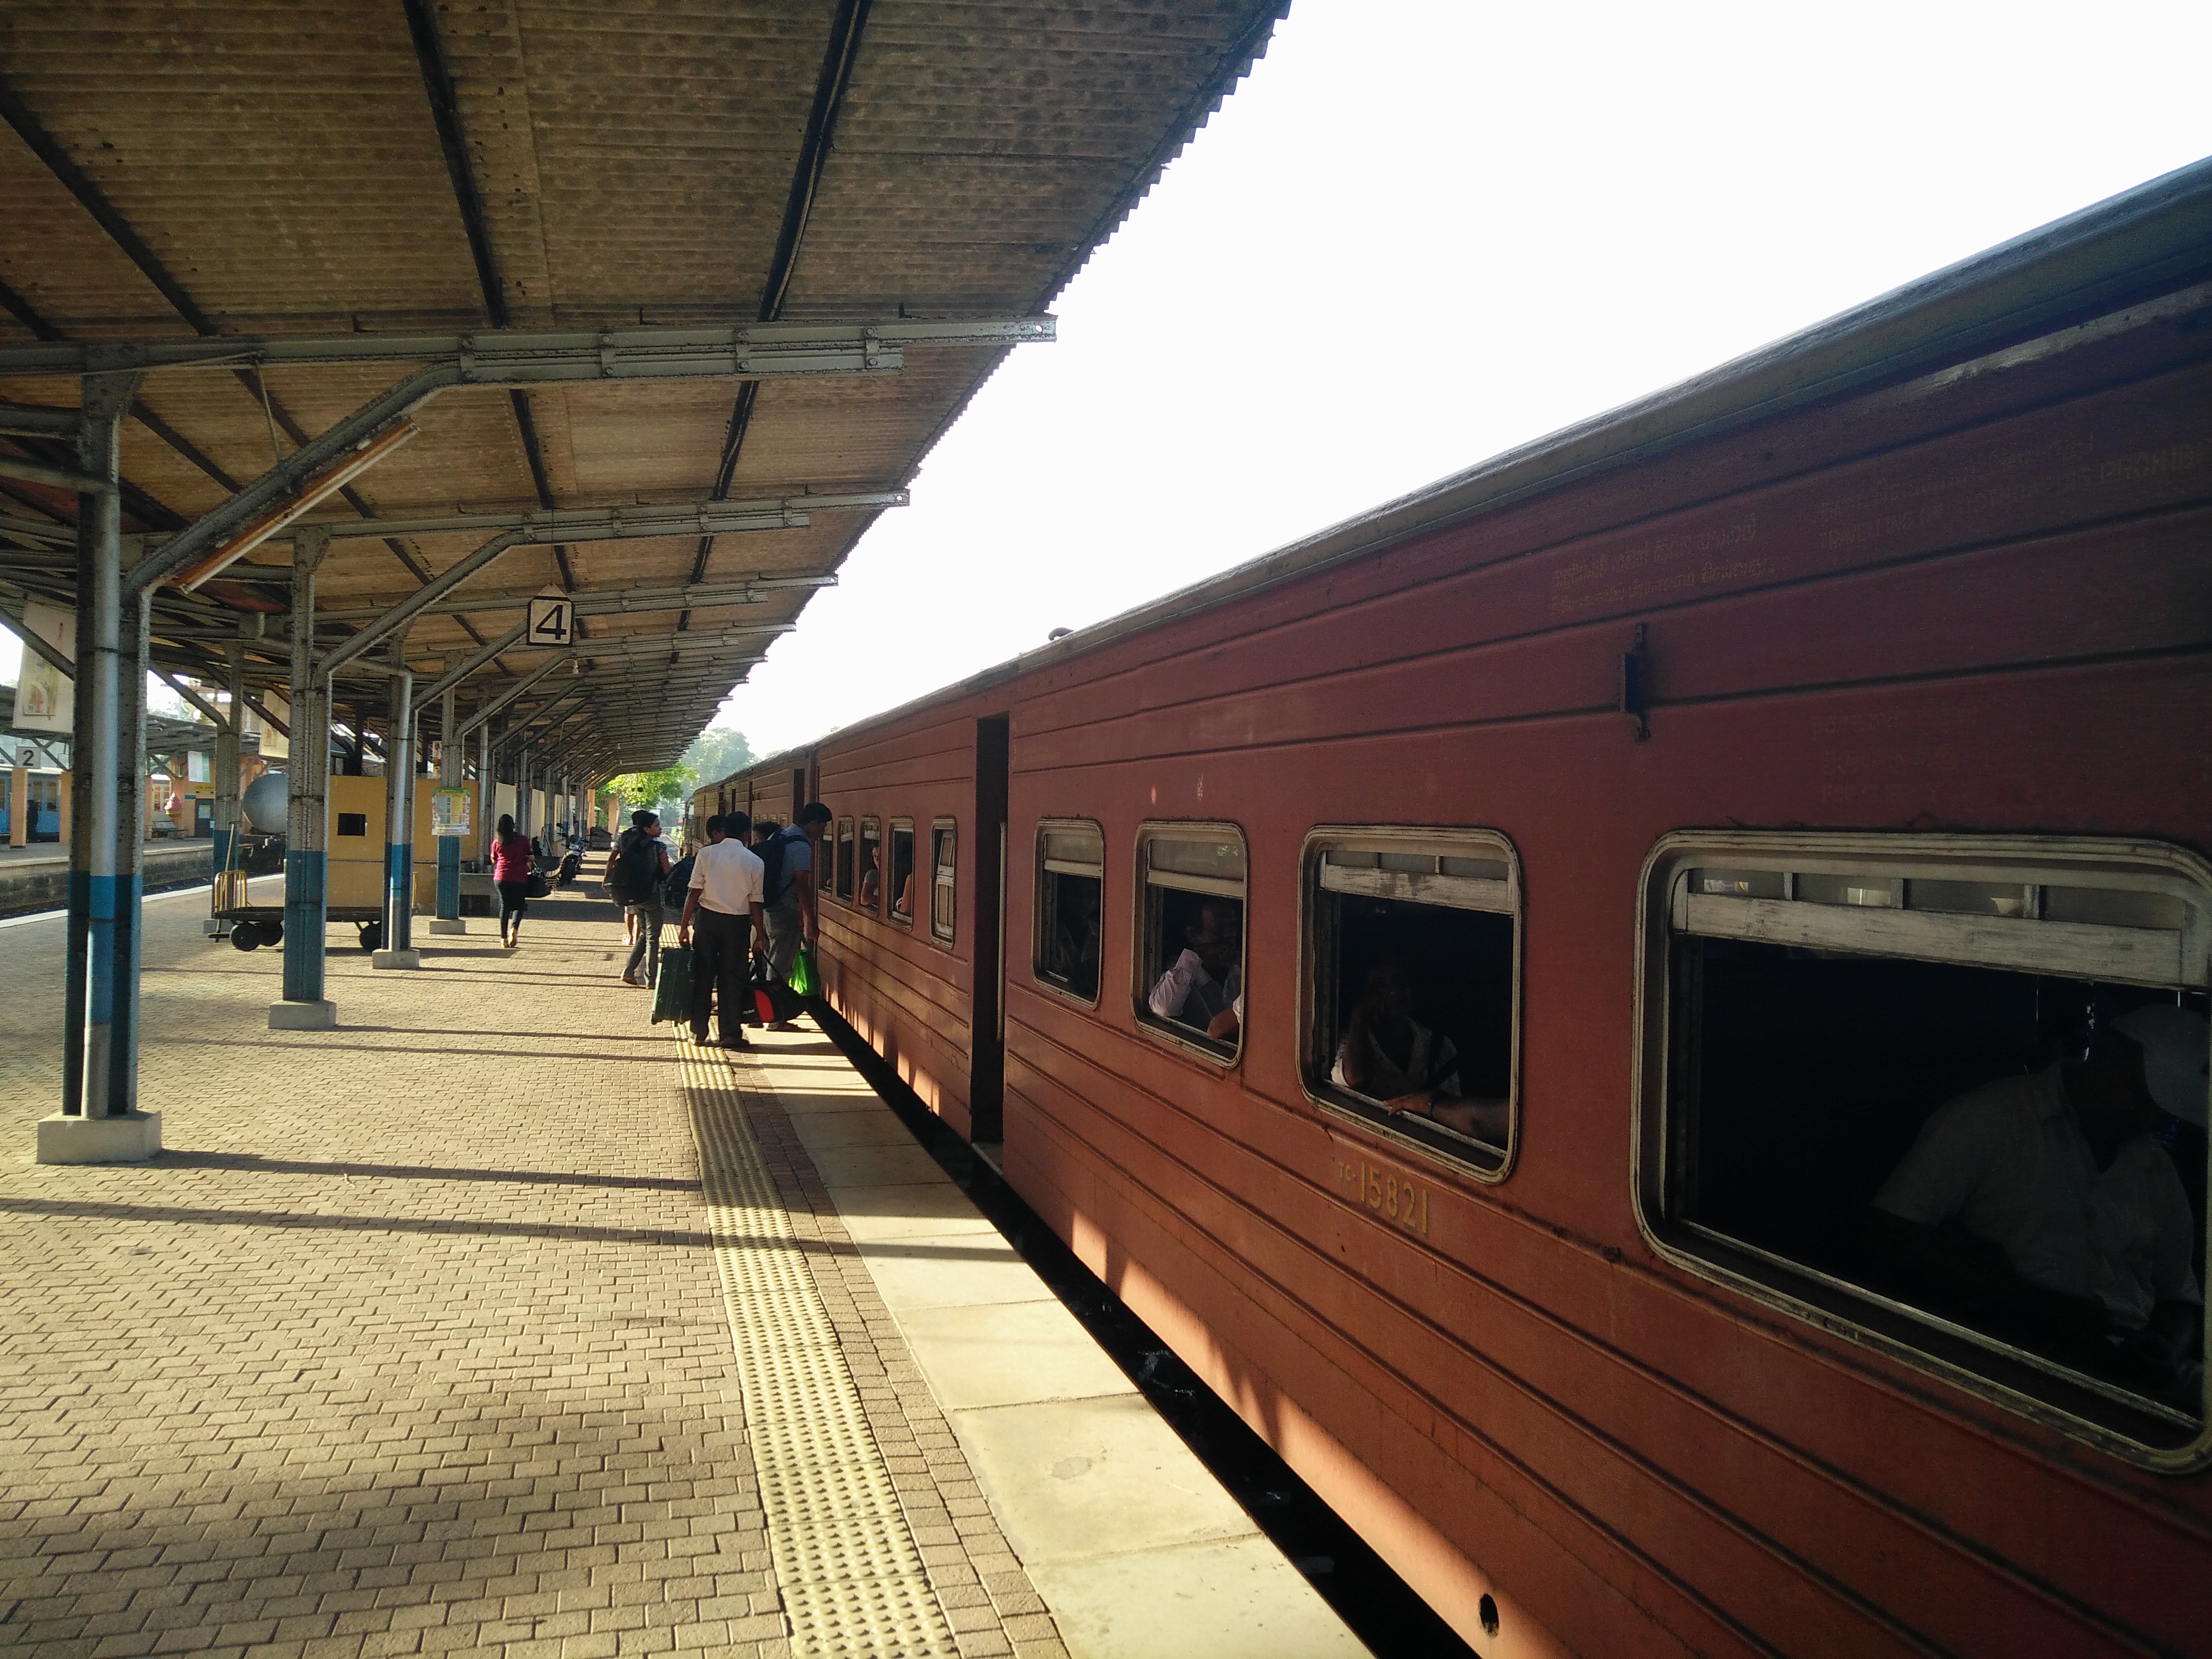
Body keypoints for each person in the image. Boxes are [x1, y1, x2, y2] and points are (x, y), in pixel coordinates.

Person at [1865, 1004, 2207, 1395]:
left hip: (2139, 1368)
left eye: (2165, 1116)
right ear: (2107, 1055)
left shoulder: (2155, 1167)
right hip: (2020, 1363)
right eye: (2141, 1097)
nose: (2148, 1123)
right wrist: (2036, 1306)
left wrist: (2163, 1346)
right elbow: (1889, 1230)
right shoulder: (1988, 1119)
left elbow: (2179, 1296)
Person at [1331, 959, 1508, 1143]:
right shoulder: (1353, 1039)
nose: (1394, 991)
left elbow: (1455, 1116)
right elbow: (1356, 1077)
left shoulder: (1439, 1046)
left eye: (1399, 982)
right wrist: (1359, 1016)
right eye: (1379, 986)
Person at [678, 812, 766, 1049]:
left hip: (707, 922)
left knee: (703, 976)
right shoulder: (755, 861)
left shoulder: (706, 854)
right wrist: (760, 934)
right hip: (737, 926)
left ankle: (699, 1031)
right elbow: (755, 902)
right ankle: (729, 1034)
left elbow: (694, 892)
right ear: (747, 833)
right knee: (732, 980)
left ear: (725, 830)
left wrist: (684, 925)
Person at [757, 803, 831, 1016]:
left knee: (769, 960)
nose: (822, 831)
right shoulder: (801, 846)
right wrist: (811, 920)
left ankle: (760, 1009)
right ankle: (772, 1016)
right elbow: (801, 884)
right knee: (781, 965)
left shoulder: (780, 835)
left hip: (768, 906)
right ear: (813, 823)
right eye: (823, 826)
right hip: (784, 908)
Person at [1148, 900, 1243, 1040]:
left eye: (1232, 930)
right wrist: (1199, 954)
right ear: (1193, 934)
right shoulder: (1179, 973)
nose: (1229, 938)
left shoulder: (1240, 969)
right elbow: (1163, 1008)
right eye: (1219, 931)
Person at [609, 810, 672, 987]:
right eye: (657, 826)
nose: (660, 829)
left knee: (645, 934)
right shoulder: (658, 847)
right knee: (653, 937)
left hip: (634, 896)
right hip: (652, 895)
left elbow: (613, 860)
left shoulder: (627, 841)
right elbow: (667, 871)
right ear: (647, 829)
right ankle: (651, 979)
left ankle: (629, 972)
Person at [489, 812, 534, 949]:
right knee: (519, 905)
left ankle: (503, 939)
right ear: (513, 825)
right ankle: (514, 929)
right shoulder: (523, 840)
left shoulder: (497, 841)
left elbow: (494, 859)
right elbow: (531, 858)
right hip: (519, 876)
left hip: (501, 877)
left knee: (504, 906)